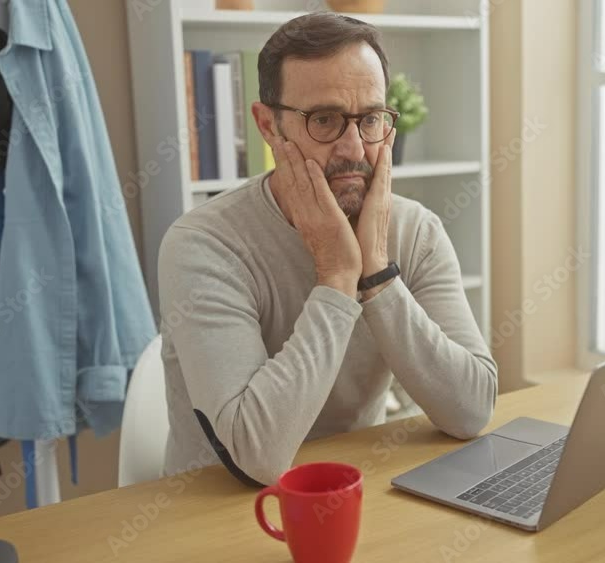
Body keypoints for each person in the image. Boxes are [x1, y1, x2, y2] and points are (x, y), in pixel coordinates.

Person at [158, 12, 498, 485]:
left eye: (371, 119)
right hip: (218, 513)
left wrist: (377, 273)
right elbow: (257, 456)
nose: (355, 149)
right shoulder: (203, 245)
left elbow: (472, 410)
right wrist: (338, 276)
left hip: (357, 494)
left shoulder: (417, 230)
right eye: (325, 120)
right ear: (268, 125)